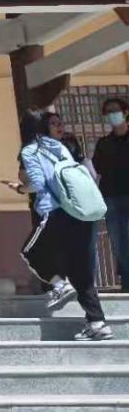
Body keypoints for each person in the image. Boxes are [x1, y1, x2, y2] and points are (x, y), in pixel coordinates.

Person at [19, 108, 111, 341]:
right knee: (81, 270)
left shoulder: (30, 151)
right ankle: (97, 322)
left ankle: (60, 285)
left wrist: (20, 188)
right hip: (78, 212)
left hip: (54, 211)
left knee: (29, 252)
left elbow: (37, 184)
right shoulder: (60, 147)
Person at [93, 96, 129, 291]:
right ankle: (126, 280)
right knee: (117, 240)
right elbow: (96, 169)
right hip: (111, 198)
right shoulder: (103, 143)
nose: (112, 114)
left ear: (125, 112)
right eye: (108, 112)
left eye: (115, 110)